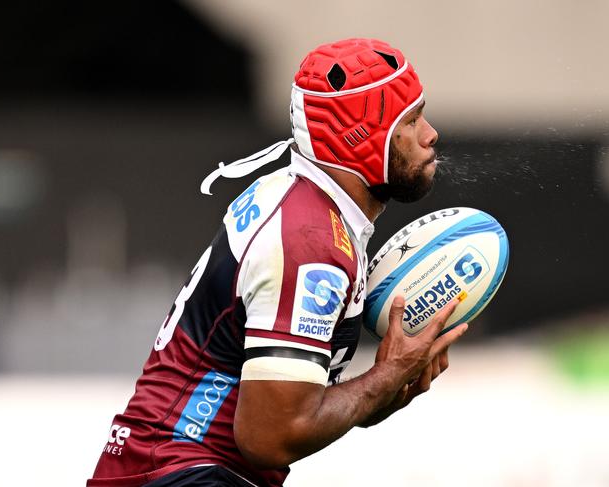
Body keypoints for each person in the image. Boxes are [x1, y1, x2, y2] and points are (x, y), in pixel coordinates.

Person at [88, 37, 468, 487]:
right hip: (180, 470)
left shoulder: (309, 210)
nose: (431, 134)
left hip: (173, 468)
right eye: (412, 119)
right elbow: (269, 436)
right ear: (361, 136)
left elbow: (294, 409)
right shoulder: (312, 241)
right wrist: (384, 376)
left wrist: (383, 389)